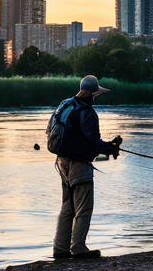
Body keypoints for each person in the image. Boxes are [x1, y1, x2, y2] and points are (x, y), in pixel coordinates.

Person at [52, 75, 122, 260]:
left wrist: (107, 147)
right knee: (83, 207)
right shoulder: (88, 112)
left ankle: (60, 248)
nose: (96, 97)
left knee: (68, 206)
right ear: (91, 94)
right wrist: (111, 148)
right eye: (96, 94)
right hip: (79, 165)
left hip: (62, 162)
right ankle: (78, 248)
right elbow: (93, 143)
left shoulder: (65, 104)